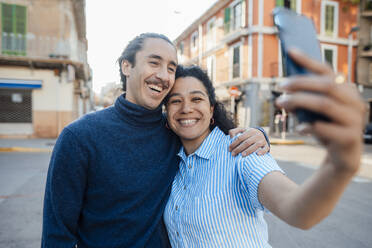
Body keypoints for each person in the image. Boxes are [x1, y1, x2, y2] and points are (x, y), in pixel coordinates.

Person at [41, 33, 270, 248]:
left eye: (171, 68)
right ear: (126, 66)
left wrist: (259, 134)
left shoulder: (175, 131)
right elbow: (57, 233)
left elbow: (211, 132)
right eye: (154, 62)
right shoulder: (79, 137)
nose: (164, 75)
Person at [163, 49, 364, 247]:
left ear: (211, 108)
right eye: (175, 101)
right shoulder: (172, 162)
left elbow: (296, 208)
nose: (186, 108)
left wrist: (339, 166)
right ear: (166, 112)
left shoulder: (241, 149)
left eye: (196, 99)